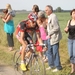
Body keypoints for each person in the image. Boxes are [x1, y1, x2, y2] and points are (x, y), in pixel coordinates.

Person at [45, 5, 62, 72]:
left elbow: (56, 28)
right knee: (49, 52)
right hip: (50, 38)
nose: (45, 11)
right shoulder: (49, 17)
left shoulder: (53, 16)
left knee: (55, 53)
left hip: (54, 38)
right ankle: (51, 65)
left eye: (46, 10)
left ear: (50, 10)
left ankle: (58, 67)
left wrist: (49, 33)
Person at [64, 9, 75, 75]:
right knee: (71, 55)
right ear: (71, 14)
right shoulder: (69, 21)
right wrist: (66, 30)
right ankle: (72, 69)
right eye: (73, 13)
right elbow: (66, 30)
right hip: (70, 39)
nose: (74, 15)